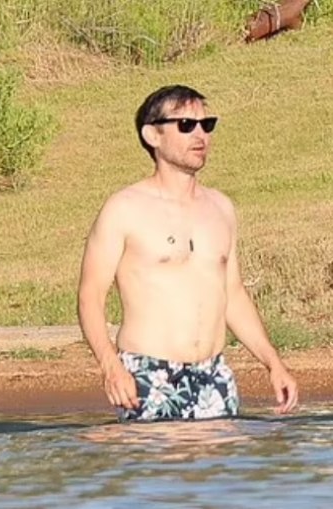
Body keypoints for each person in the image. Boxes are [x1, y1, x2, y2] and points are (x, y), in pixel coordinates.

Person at [77, 84, 298, 422]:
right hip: (149, 374)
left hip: (213, 374)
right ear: (152, 135)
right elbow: (91, 294)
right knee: (158, 472)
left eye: (206, 125)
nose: (200, 135)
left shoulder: (221, 208)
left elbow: (233, 295)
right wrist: (111, 366)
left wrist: (273, 362)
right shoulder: (124, 209)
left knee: (220, 473)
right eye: (186, 125)